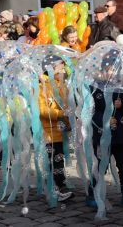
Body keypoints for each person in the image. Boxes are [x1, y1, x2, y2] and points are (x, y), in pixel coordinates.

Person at [86, 50, 123, 209]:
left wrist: (121, 105)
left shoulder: (119, 86)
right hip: (101, 134)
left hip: (117, 134)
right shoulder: (94, 87)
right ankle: (93, 193)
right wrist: (102, 119)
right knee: (101, 164)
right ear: (103, 69)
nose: (112, 72)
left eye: (115, 69)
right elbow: (89, 111)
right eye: (109, 68)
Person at [39, 58, 73, 202]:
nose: (64, 71)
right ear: (52, 69)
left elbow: (65, 107)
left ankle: (60, 186)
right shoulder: (42, 87)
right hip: (48, 132)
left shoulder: (62, 86)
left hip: (59, 131)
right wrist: (60, 114)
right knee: (53, 161)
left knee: (58, 159)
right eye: (61, 68)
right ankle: (57, 188)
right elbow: (42, 110)